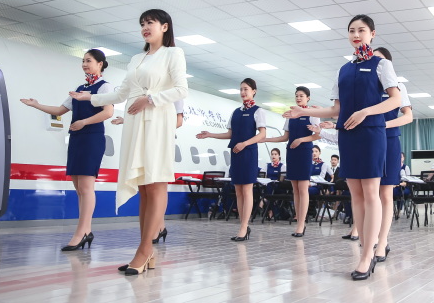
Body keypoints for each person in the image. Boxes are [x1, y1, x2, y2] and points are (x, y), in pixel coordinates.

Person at [70, 9, 188, 275]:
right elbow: (122, 93)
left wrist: (150, 99)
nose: (145, 27)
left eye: (150, 23)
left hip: (157, 120)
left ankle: (144, 249)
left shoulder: (173, 53)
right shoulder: (136, 58)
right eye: (142, 23)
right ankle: (146, 251)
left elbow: (182, 89)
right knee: (143, 187)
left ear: (165, 27)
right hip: (135, 123)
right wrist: (90, 98)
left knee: (155, 183)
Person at [284, 14, 401, 281]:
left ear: (372, 34)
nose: (356, 35)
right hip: (348, 134)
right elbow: (336, 109)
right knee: (356, 195)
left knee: (371, 193)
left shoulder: (381, 64)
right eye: (351, 30)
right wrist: (303, 111)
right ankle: (364, 249)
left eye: (361, 30)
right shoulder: (344, 69)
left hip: (371, 133)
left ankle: (367, 256)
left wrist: (366, 112)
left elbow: (394, 100)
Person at [20, 49, 114, 251]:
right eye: (83, 61)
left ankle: (81, 233)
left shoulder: (104, 87)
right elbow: (59, 110)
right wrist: (36, 105)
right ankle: (86, 231)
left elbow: (108, 112)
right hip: (77, 138)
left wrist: (84, 122)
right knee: (79, 188)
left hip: (92, 138)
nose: (84, 64)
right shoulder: (80, 89)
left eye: (88, 61)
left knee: (86, 188)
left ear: (100, 64)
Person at [196, 78, 266, 242]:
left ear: (254, 91)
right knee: (238, 191)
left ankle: (244, 227)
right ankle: (243, 225)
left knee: (247, 190)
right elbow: (230, 134)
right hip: (236, 153)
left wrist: (245, 144)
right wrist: (210, 134)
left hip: (248, 153)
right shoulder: (235, 112)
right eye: (241, 89)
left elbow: (262, 134)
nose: (243, 92)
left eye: (246, 89)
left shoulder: (258, 111)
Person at [111, 99, 184, 244]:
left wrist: (159, 129)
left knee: (157, 186)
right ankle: (158, 228)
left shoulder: (174, 92)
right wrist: (128, 121)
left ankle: (155, 231)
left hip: (159, 140)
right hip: (146, 140)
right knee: (146, 188)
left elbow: (178, 121)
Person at [261, 86, 319, 237]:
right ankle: (298, 219)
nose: (298, 98)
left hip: (304, 151)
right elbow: (285, 137)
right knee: (295, 189)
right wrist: (266, 139)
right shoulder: (290, 115)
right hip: (292, 151)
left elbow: (317, 135)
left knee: (303, 188)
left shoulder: (313, 113)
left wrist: (301, 140)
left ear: (308, 98)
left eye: (301, 96)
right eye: (296, 96)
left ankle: (301, 224)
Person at [372, 46, 413, 262]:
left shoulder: (398, 85)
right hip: (368, 141)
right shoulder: (367, 85)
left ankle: (383, 241)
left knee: (385, 193)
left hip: (388, 141)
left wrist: (383, 126)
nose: (375, 64)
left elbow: (408, 116)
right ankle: (371, 236)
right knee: (370, 193)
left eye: (380, 60)